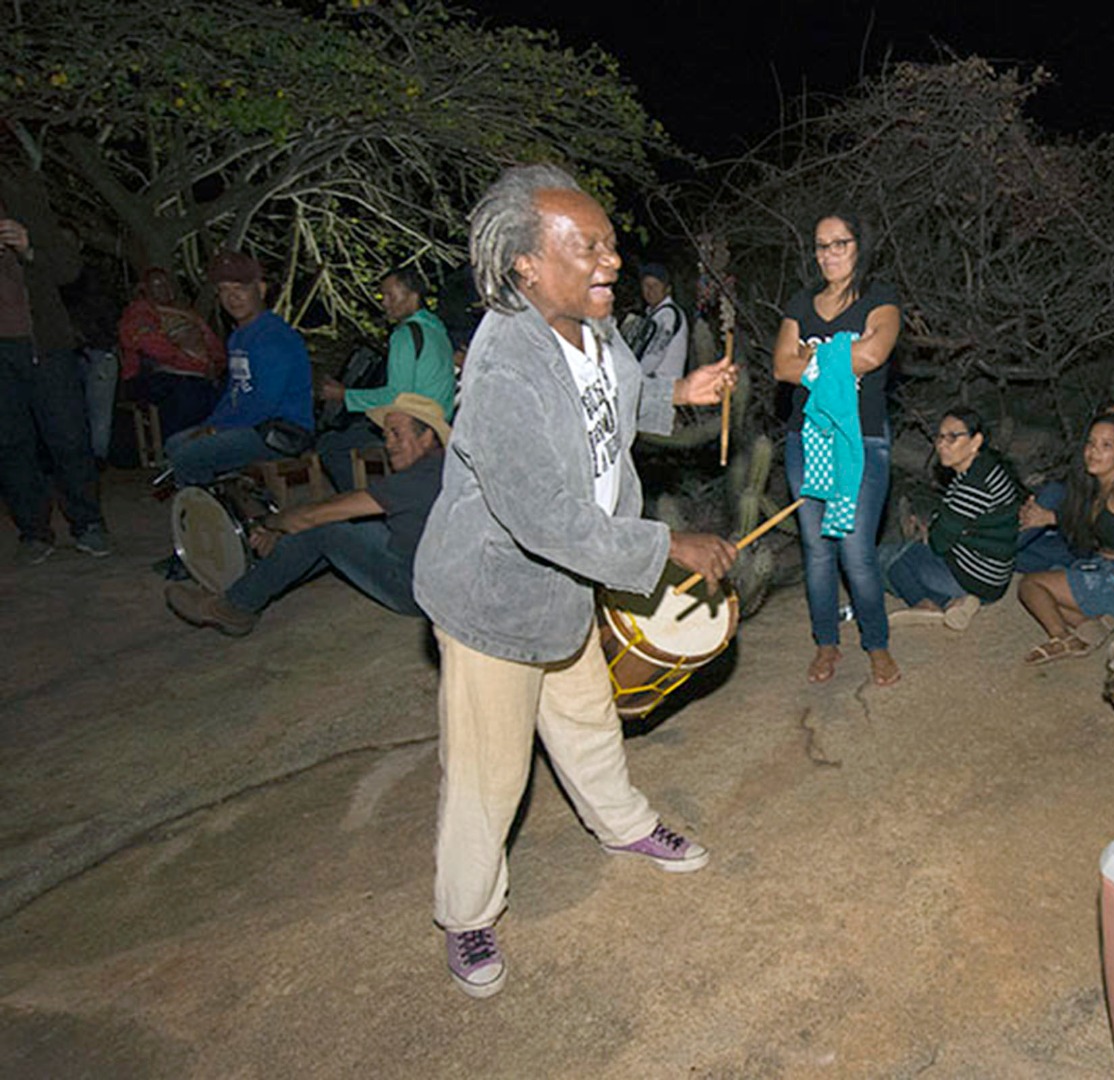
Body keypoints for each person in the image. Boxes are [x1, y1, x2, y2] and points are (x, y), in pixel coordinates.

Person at [412, 165, 739, 999]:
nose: (610, 262)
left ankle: (624, 826)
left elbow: (611, 401)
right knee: (490, 772)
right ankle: (467, 912)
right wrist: (668, 546)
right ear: (524, 264)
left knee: (588, 718)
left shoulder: (591, 323)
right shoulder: (503, 370)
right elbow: (545, 520)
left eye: (610, 243)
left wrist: (680, 392)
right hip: (498, 595)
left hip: (566, 585)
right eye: (586, 246)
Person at [163, 393, 449, 635]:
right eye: (386, 435)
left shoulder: (423, 477)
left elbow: (321, 514)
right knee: (332, 526)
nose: (389, 443)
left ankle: (235, 607)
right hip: (434, 575)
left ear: (427, 437)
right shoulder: (443, 467)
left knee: (324, 527)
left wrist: (272, 523)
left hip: (417, 588)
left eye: (397, 433)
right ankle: (270, 572)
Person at [772, 212, 900, 687]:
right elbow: (780, 368)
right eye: (821, 245)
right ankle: (826, 641)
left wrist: (811, 354)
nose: (829, 254)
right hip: (805, 439)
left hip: (862, 437)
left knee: (855, 548)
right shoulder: (801, 302)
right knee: (816, 548)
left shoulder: (879, 299)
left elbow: (873, 355)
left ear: (858, 246)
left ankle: (877, 643)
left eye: (839, 244)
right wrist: (838, 353)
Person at [0, 193, 110, 562]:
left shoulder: (24, 200)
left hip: (45, 346)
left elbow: (68, 269)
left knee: (68, 437)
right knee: (11, 445)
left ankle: (89, 523)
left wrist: (28, 247)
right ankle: (33, 531)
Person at [1018, 412, 1114, 664]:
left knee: (1031, 585)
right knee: (1053, 592)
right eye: (1091, 443)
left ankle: (1061, 638)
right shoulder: (1101, 482)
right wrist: (1051, 518)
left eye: (1106, 445)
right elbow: (1102, 524)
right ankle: (1092, 626)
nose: (1094, 451)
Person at [164, 251, 312, 487]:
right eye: (224, 290)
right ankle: (221, 501)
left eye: (240, 288)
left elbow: (264, 403)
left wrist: (217, 429)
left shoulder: (273, 336)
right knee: (175, 443)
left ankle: (205, 515)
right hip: (251, 425)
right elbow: (234, 394)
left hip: (280, 431)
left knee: (189, 455)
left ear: (260, 290)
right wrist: (209, 425)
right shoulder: (238, 337)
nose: (233, 297)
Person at [880, 407, 1020, 631]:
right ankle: (960, 603)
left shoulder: (974, 485)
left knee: (886, 560)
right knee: (908, 551)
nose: (942, 444)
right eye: (940, 437)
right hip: (993, 574)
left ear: (975, 442)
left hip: (976, 576)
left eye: (953, 437)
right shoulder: (985, 468)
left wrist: (930, 533)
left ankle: (927, 603)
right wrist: (938, 528)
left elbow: (940, 541)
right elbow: (954, 521)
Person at [316, 266, 456, 490]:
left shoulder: (405, 334)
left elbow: (396, 396)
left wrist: (343, 395)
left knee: (330, 445)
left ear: (413, 296)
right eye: (383, 296)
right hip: (439, 424)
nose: (385, 303)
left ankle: (367, 504)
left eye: (391, 295)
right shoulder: (437, 331)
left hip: (415, 425)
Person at [117, 266, 226, 439]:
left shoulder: (187, 314)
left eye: (167, 285)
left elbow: (214, 346)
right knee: (187, 392)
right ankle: (177, 448)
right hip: (150, 377)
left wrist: (214, 364)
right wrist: (195, 363)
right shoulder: (138, 314)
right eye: (158, 285)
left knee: (220, 393)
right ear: (146, 289)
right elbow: (152, 346)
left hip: (195, 373)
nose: (165, 290)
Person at [632, 262, 687, 380]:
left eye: (656, 285)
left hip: (663, 390)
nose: (650, 290)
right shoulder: (654, 314)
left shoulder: (668, 315)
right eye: (646, 285)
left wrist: (631, 377)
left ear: (667, 289)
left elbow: (655, 355)